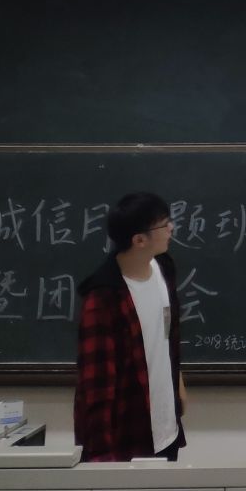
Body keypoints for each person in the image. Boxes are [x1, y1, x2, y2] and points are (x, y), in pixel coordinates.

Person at [74, 192, 188, 461]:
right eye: (164, 225)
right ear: (139, 240)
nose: (171, 228)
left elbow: (167, 335)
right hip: (126, 433)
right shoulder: (104, 297)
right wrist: (101, 459)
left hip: (166, 428)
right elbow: (97, 385)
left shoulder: (163, 268)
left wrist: (178, 383)